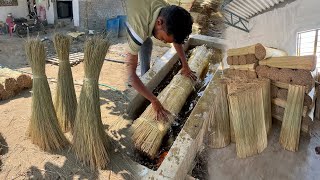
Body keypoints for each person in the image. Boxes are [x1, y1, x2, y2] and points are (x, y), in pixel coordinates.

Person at [125, 0, 195, 121]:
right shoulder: (138, 28)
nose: (163, 42)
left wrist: (185, 65)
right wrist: (154, 100)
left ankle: (144, 75)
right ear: (159, 22)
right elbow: (130, 75)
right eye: (163, 39)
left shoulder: (166, 11)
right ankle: (143, 79)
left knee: (147, 43)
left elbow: (175, 40)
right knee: (143, 42)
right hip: (129, 11)